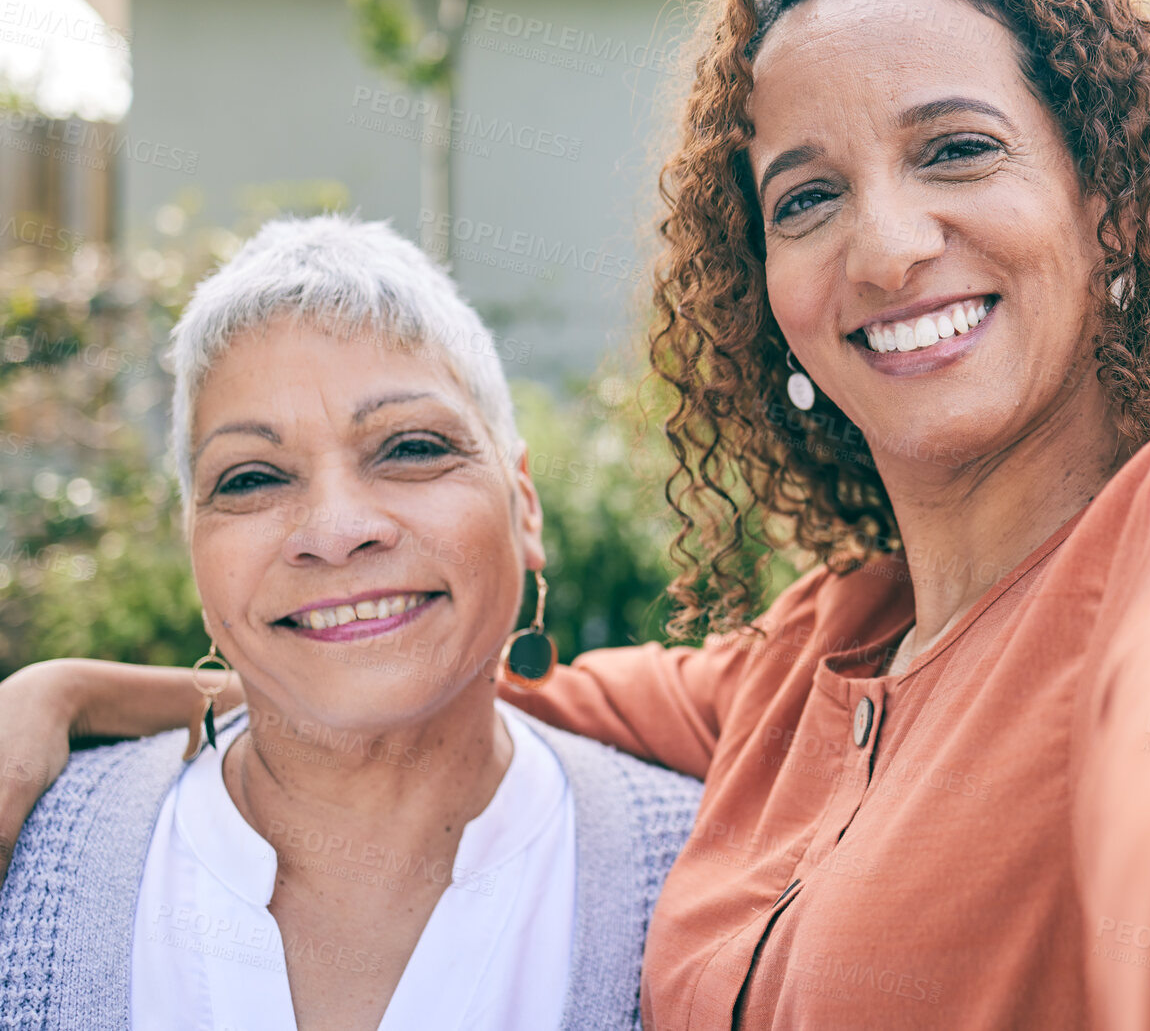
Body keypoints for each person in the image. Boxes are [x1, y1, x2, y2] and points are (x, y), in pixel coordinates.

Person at [3, 0, 1150, 1030]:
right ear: (767, 299)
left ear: (1109, 206)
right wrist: (83, 694)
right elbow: (430, 667)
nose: (888, 244)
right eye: (807, 196)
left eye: (957, 150)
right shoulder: (797, 669)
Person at [0, 216, 700, 1031]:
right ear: (194, 545)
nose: (335, 530)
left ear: (525, 506)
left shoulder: (709, 875)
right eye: (252, 477)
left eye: (408, 447)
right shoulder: (29, 855)